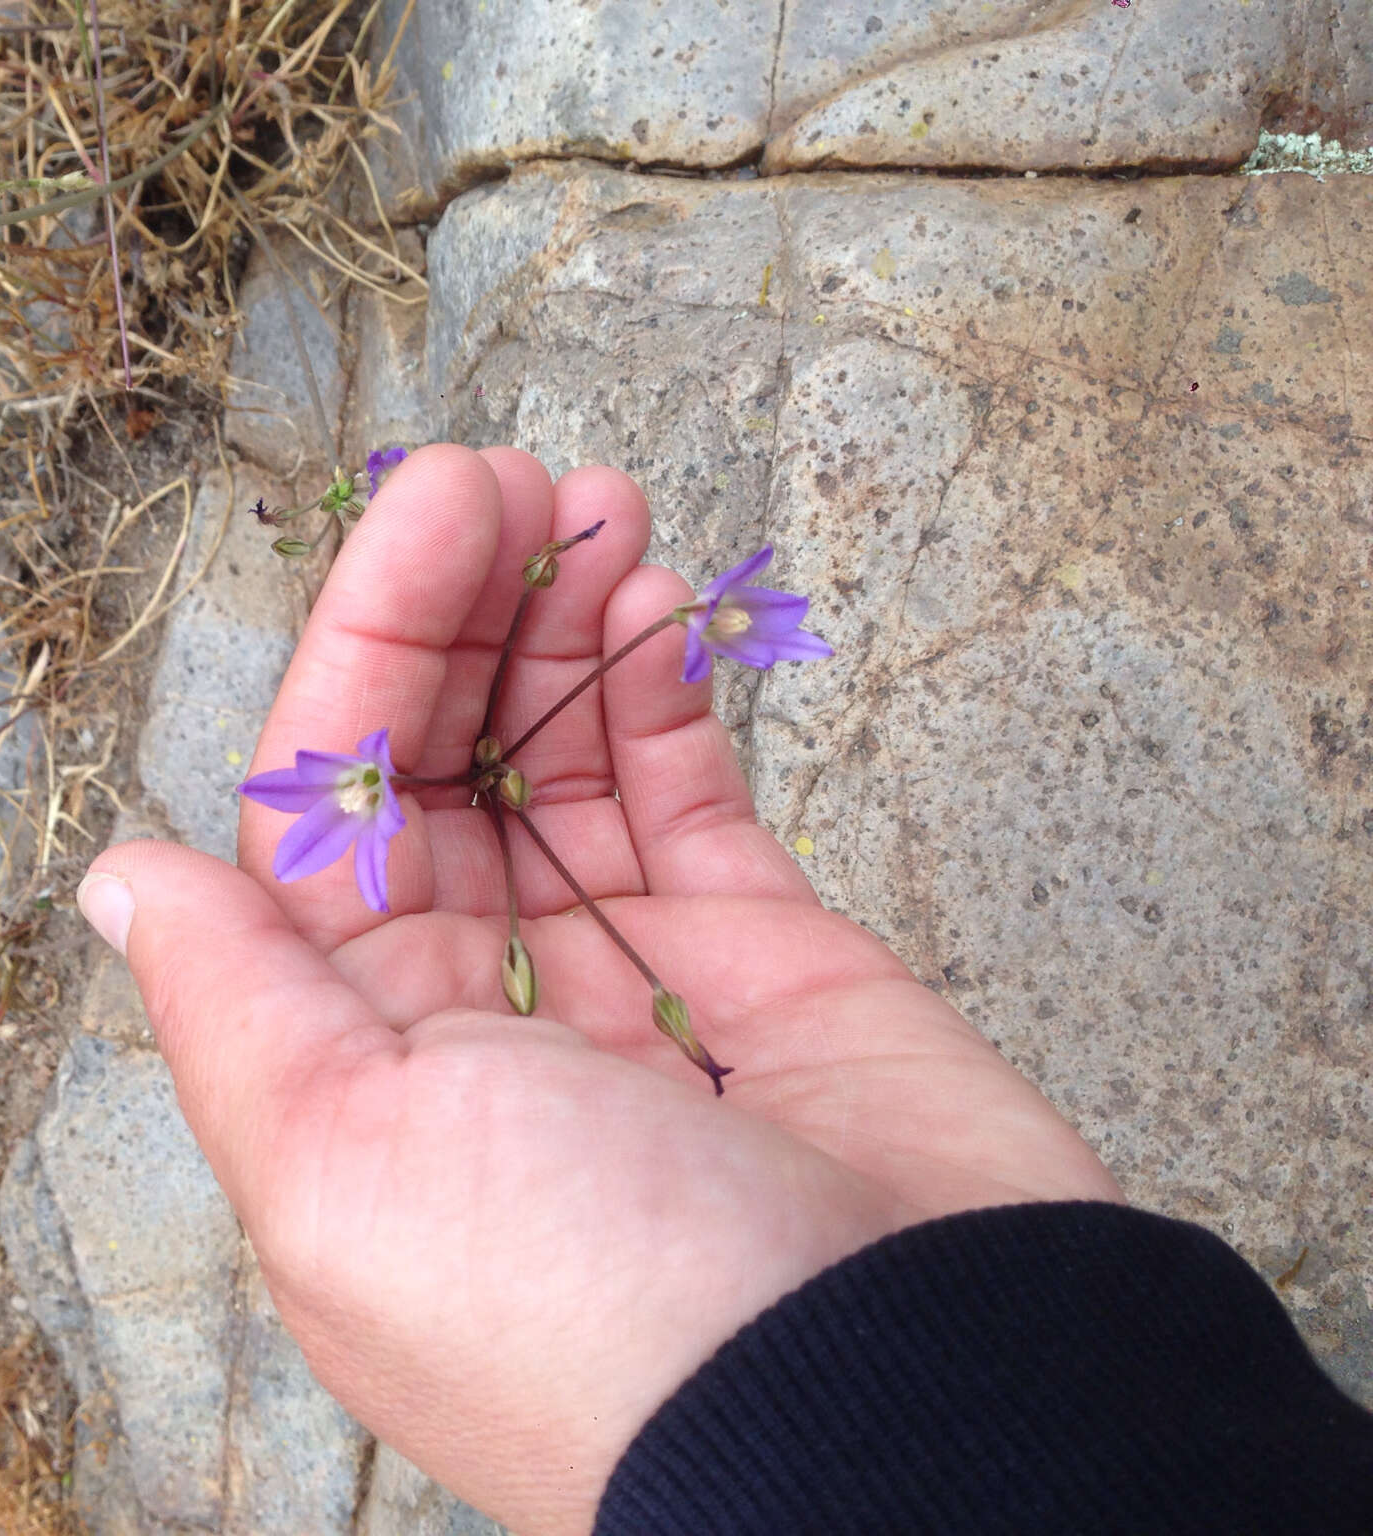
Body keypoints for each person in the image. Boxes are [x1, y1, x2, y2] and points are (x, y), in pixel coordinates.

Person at [73, 446, 1373, 1534]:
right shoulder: (368, 807)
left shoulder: (453, 831)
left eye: (360, 789)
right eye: (356, 793)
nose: (360, 797)